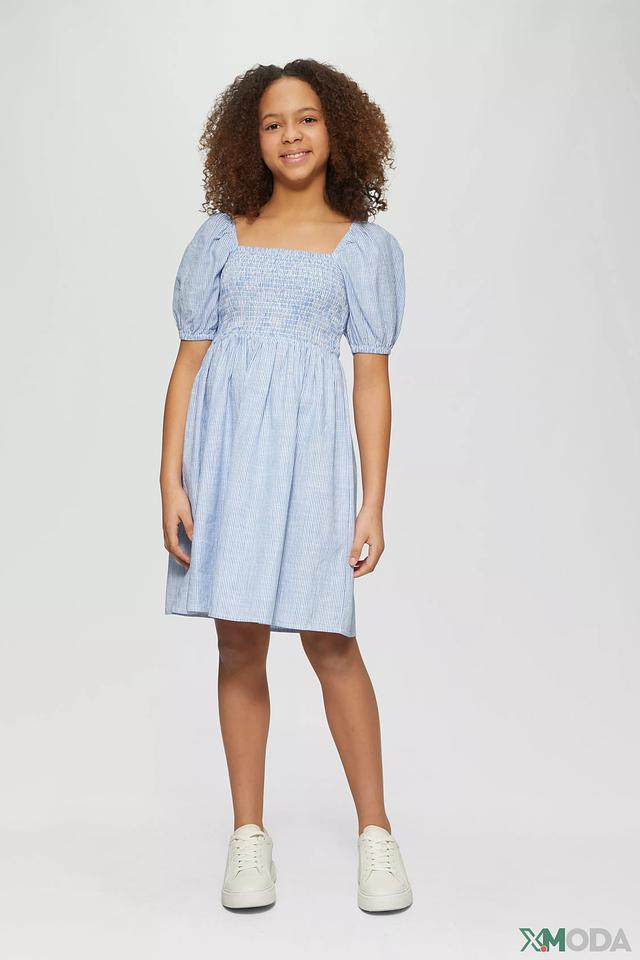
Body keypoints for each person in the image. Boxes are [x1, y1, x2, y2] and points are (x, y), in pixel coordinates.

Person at [160, 58, 412, 913]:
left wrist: (373, 500)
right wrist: (172, 480)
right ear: (250, 138)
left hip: (312, 464)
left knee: (329, 640)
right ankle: (248, 837)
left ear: (337, 128)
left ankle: (376, 834)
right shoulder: (221, 238)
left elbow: (370, 381)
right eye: (272, 123)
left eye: (306, 118)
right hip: (226, 462)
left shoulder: (362, 248)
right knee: (238, 642)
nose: (291, 135)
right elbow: (187, 364)